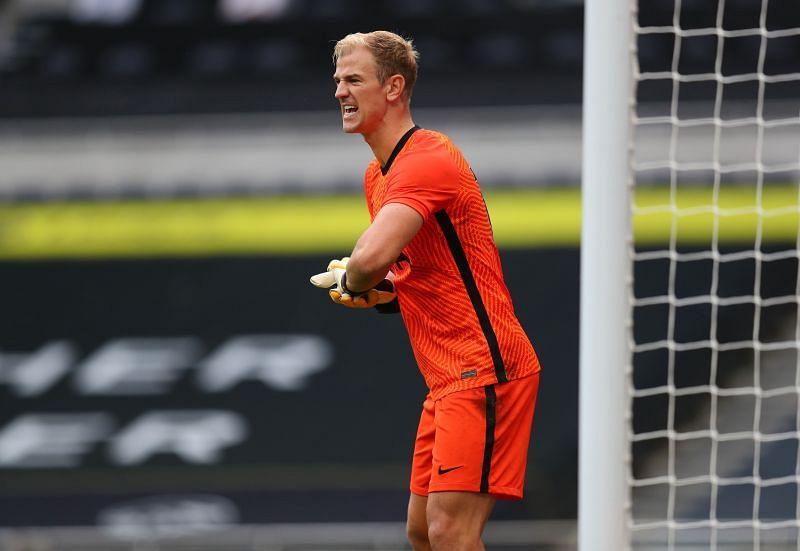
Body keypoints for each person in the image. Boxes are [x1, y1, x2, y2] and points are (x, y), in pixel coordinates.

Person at [311, 30, 541, 551]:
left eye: (353, 80)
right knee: (423, 532)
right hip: (447, 376)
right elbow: (408, 274)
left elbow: (370, 259)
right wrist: (378, 294)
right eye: (337, 81)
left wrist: (356, 277)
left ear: (393, 87)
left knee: (450, 532)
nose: (340, 92)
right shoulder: (378, 175)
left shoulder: (428, 157)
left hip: (484, 367)